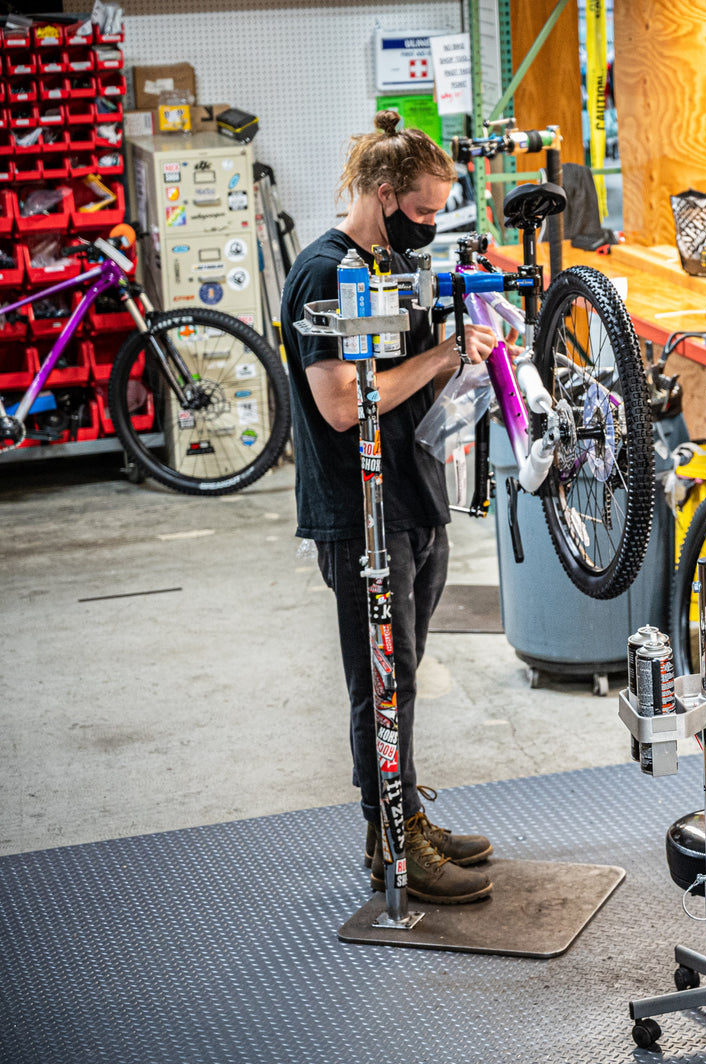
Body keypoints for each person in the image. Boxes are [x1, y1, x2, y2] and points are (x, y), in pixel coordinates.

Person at [281, 111, 506, 904]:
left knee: (402, 674)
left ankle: (405, 810)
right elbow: (343, 405)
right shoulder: (323, 274)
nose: (431, 226)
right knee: (379, 682)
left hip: (412, 494)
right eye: (421, 212)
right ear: (383, 196)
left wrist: (460, 363)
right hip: (359, 509)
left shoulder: (386, 268)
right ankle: (391, 841)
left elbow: (400, 380)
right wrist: (441, 354)